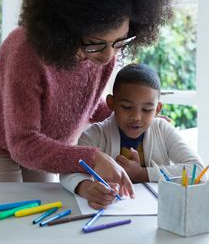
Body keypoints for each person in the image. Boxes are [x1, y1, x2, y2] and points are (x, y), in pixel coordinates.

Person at [0, 0, 175, 189]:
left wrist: (131, 111)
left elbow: (83, 106)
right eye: (96, 43)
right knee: (4, 223)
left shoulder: (105, 51)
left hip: (43, 146)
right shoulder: (24, 50)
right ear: (67, 27)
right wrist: (92, 157)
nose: (108, 56)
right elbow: (23, 143)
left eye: (119, 41)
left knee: (50, 213)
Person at [60, 63, 204, 209]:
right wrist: (88, 188)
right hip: (110, 215)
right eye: (127, 107)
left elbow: (198, 170)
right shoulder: (96, 134)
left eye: (147, 109)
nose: (136, 117)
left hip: (155, 216)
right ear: (111, 103)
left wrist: (143, 174)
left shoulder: (163, 130)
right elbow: (68, 171)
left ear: (157, 109)